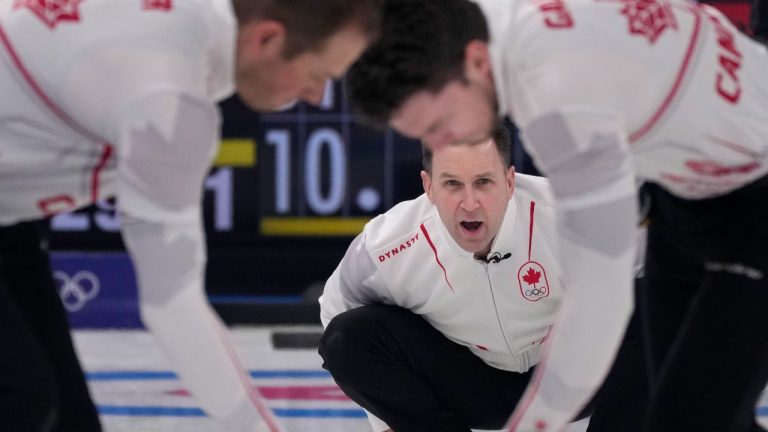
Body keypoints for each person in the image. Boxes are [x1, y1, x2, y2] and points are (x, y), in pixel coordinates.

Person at [345, 0, 768, 431]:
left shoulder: (558, 101)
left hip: (752, 198)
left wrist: (533, 426)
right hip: (690, 193)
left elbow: (601, 297)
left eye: (440, 123)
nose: (442, 143)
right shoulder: (485, 23)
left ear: (473, 63)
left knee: (691, 418)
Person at [0, 1, 380, 431]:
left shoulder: (187, 27)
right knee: (19, 397)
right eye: (319, 76)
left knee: (67, 417)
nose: (315, 96)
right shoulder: (167, 94)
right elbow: (171, 305)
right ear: (267, 38)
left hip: (9, 217)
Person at [318, 125, 648, 432]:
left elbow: (660, 277)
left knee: (651, 303)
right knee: (347, 337)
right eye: (452, 184)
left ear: (509, 182)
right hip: (468, 384)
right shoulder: (388, 245)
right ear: (428, 186)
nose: (470, 203)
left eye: (483, 182)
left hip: (570, 378)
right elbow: (336, 311)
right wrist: (386, 423)